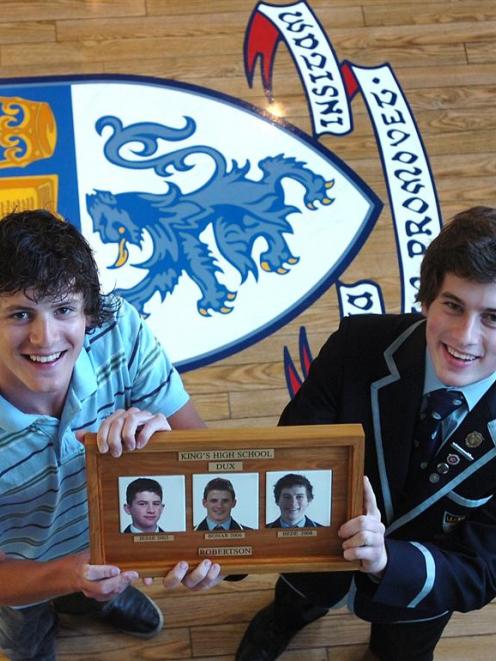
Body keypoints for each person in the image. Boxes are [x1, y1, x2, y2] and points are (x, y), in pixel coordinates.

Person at [236, 206, 496, 661]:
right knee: (294, 601)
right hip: (316, 552)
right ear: (427, 300)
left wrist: (388, 561)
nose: (466, 337)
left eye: (493, 317)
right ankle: (283, 618)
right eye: (453, 305)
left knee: (401, 653)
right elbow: (293, 446)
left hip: (417, 594)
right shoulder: (358, 344)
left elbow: (483, 570)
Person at [0, 209, 222, 661]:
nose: (45, 338)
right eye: (20, 313)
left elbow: (204, 454)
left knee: (103, 584)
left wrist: (165, 448)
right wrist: (68, 575)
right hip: (18, 567)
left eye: (63, 309)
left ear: (90, 312)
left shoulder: (119, 327)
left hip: (114, 538)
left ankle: (100, 600)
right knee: (25, 637)